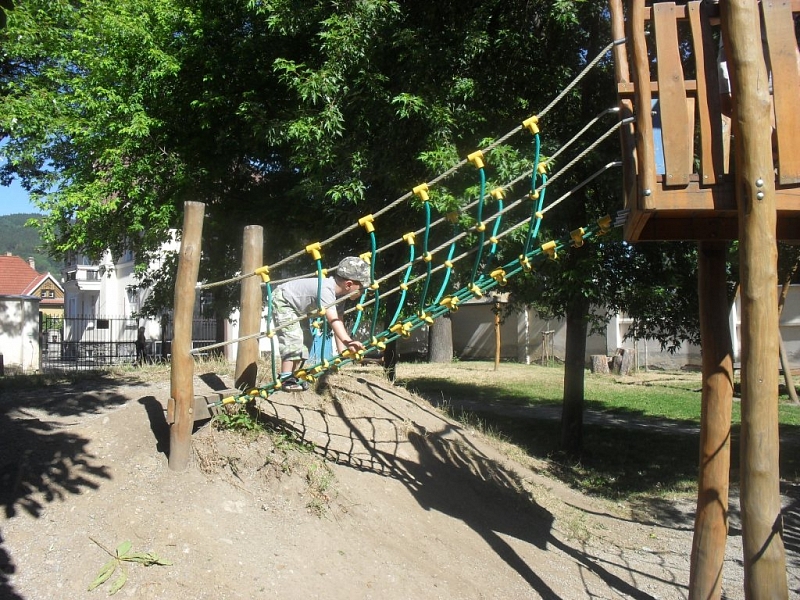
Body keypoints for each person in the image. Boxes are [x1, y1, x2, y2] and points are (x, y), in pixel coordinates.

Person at [272, 256, 370, 391]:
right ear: (348, 285)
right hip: (284, 300)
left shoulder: (340, 296)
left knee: (306, 340)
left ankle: (291, 376)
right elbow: (333, 320)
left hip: (299, 308)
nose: (363, 293)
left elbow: (339, 319)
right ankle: (285, 377)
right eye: (362, 289)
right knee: (293, 339)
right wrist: (349, 341)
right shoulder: (326, 289)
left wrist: (343, 350)